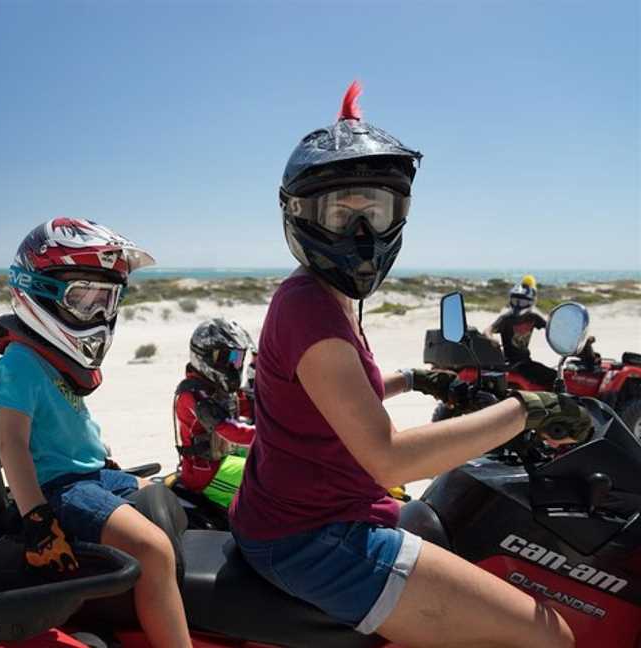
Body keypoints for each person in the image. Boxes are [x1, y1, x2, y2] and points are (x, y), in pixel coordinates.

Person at [228, 81, 589, 648]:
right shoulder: (311, 310)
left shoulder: (324, 296)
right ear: (302, 215)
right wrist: (527, 410)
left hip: (297, 515)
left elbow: (329, 400)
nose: (362, 232)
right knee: (551, 636)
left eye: (374, 210)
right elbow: (388, 460)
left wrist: (417, 380)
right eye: (341, 212)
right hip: (314, 537)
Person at [0, 218, 191, 648]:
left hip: (91, 474)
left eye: (107, 300)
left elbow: (67, 427)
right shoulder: (22, 362)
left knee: (173, 493)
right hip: (61, 488)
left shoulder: (51, 359)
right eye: (84, 300)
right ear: (39, 290)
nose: (99, 314)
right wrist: (38, 520)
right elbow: (12, 445)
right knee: (154, 549)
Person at [174, 318, 255, 508]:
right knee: (274, 478)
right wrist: (271, 435)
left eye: (237, 358)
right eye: (226, 357)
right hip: (205, 474)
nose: (233, 364)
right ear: (204, 356)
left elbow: (251, 407)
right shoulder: (193, 395)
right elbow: (228, 429)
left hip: (225, 459)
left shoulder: (218, 388)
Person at [487, 275, 558, 387]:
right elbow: (488, 330)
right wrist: (491, 338)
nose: (518, 305)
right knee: (553, 378)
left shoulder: (533, 317)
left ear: (531, 302)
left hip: (525, 360)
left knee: (556, 376)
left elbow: (551, 328)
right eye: (515, 301)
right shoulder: (507, 318)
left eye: (523, 302)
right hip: (512, 363)